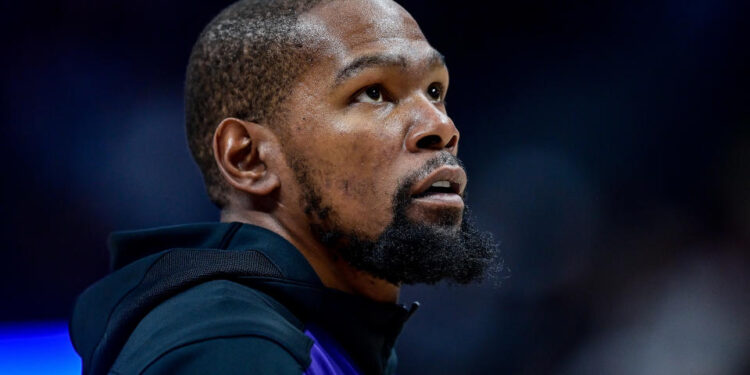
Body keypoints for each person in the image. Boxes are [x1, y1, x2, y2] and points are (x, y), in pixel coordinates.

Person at [70, 0, 499, 374]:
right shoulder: (228, 345)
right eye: (373, 92)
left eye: (435, 89)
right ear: (248, 158)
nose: (441, 127)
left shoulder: (310, 334)